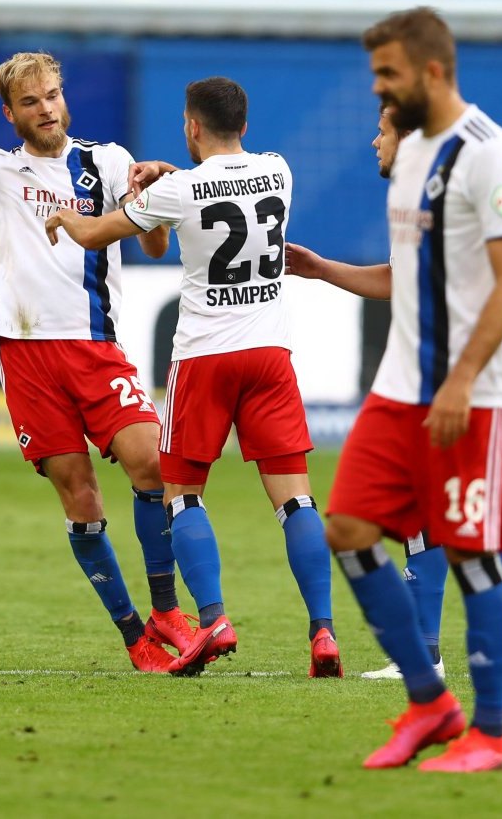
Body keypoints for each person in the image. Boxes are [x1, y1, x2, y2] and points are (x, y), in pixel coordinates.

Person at [0, 31, 197, 674]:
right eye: (30, 101)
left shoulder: (107, 162)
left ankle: (167, 609)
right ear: (10, 113)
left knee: (151, 460)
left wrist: (155, 193)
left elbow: (149, 247)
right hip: (28, 357)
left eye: (54, 95)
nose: (46, 108)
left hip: (95, 348)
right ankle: (136, 639)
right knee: (80, 494)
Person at [44, 76, 341, 679]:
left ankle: (213, 619)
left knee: (182, 495)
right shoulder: (279, 171)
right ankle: (323, 632)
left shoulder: (178, 190)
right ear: (245, 125)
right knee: (297, 499)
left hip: (205, 357)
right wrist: (169, 174)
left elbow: (99, 233)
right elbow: (223, 182)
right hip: (269, 355)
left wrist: (66, 218)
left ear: (191, 127)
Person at [286, 107, 502, 683]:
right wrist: (323, 271)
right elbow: (399, 280)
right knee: (451, 527)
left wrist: (479, 367)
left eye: (382, 129)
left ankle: (427, 658)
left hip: (450, 388)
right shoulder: (411, 196)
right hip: (428, 383)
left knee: (429, 523)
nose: (373, 141)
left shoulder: (459, 187)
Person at [321, 7, 502, 773]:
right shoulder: (408, 153)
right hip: (398, 391)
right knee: (346, 528)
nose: (377, 89)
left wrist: (466, 375)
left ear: (433, 72)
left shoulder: (490, 155)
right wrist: (319, 269)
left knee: (474, 558)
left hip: (471, 400)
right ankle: (429, 702)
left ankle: (490, 733)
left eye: (388, 74)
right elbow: (413, 276)